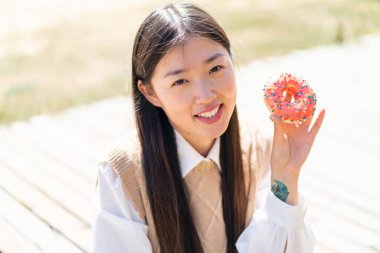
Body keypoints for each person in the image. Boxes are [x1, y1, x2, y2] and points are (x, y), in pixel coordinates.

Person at [91, 2, 325, 253]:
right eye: (180, 81)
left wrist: (286, 177)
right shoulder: (122, 173)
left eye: (216, 68)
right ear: (150, 93)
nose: (205, 95)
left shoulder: (259, 148)